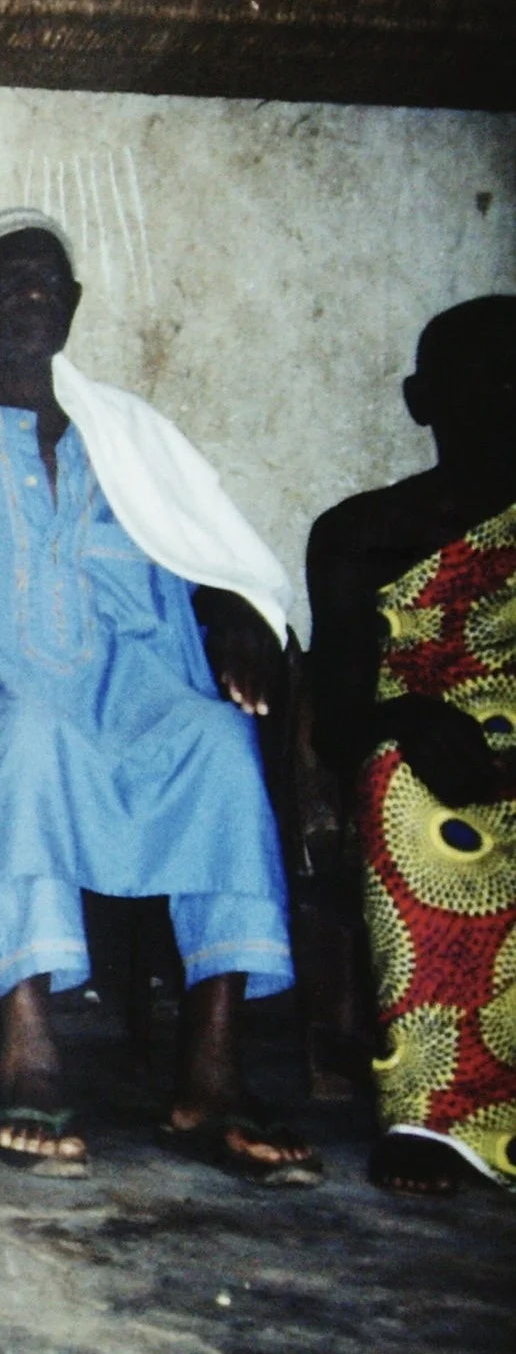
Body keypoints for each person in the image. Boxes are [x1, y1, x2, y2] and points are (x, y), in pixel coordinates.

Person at [0, 208, 321, 1185]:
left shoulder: (129, 434)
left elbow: (203, 550)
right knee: (31, 733)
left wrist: (232, 614)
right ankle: (27, 1037)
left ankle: (209, 1069)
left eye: (51, 282)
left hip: (131, 692)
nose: (33, 294)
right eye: (9, 280)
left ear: (75, 307)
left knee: (216, 737)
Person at [305, 295, 516, 1198]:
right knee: (402, 790)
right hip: (425, 746)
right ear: (421, 399)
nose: (504, 399)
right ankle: (436, 1114)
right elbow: (342, 717)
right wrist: (408, 721)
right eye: (480, 380)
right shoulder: (362, 533)